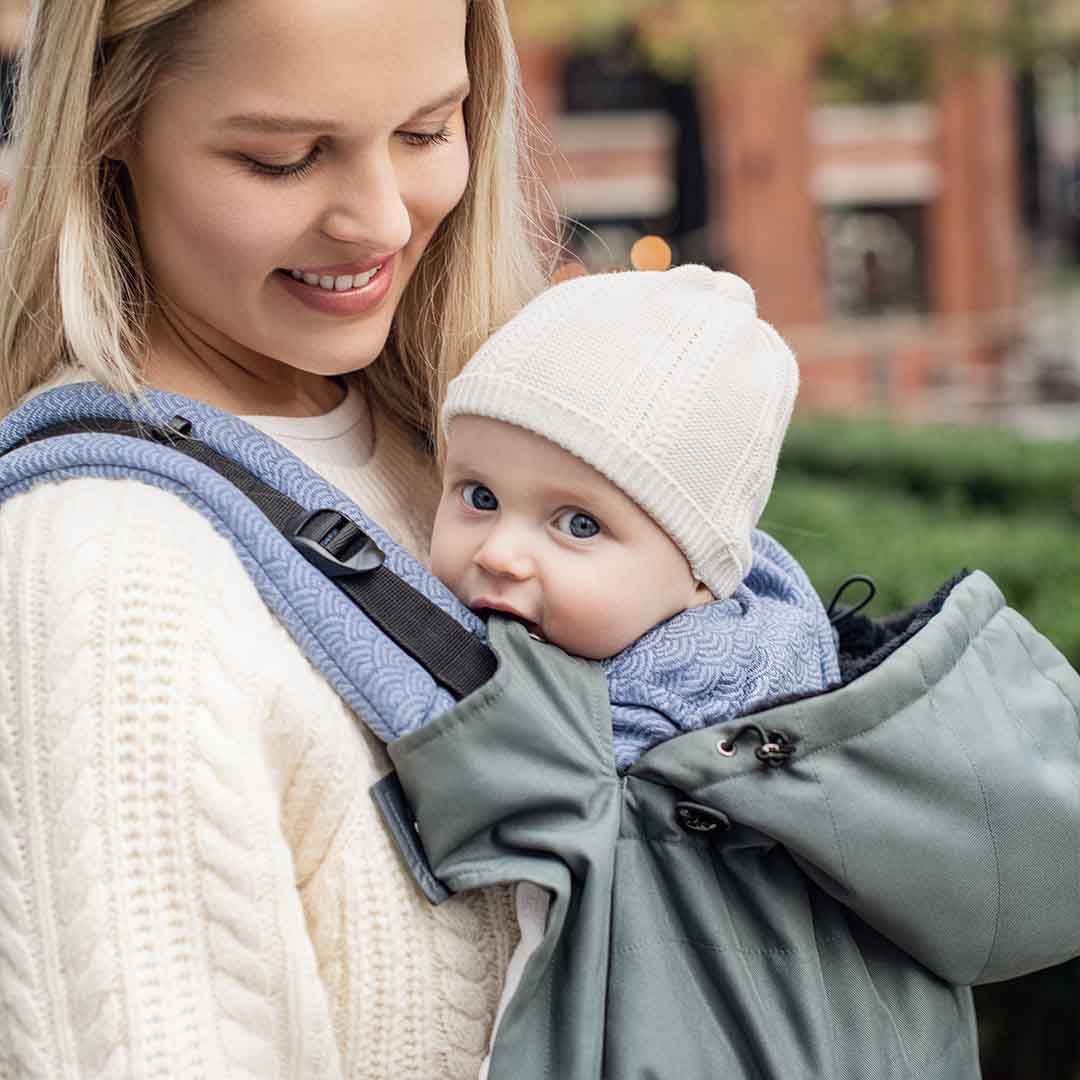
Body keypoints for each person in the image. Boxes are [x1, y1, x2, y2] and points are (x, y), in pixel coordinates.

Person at [0, 0, 552, 1075]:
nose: (384, 220)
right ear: (111, 130)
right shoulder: (96, 581)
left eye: (428, 130)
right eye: (287, 158)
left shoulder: (461, 457)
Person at [430, 263, 840, 766]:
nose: (498, 554)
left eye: (579, 525)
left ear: (700, 581)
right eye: (480, 497)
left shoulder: (663, 724)